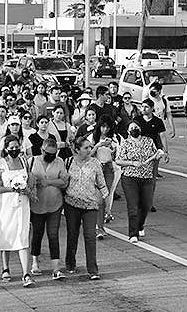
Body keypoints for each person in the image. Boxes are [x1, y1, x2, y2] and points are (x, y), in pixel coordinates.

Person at [0, 135, 36, 287]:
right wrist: (12, 188)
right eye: (12, 147)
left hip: (22, 203)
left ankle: (26, 273)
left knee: (23, 235)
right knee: (6, 233)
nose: (15, 149)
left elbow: (30, 179)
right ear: (6, 148)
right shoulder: (1, 164)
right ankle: (5, 267)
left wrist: (27, 189)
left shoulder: (24, 161)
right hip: (6, 203)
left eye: (17, 147)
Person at [63, 137, 108, 280]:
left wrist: (106, 203)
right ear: (77, 149)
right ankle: (70, 263)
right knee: (72, 235)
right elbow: (63, 182)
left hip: (90, 205)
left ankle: (93, 270)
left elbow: (102, 184)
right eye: (86, 148)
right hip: (71, 204)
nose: (89, 150)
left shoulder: (95, 163)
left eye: (90, 147)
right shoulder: (68, 162)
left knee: (90, 236)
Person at [116, 121, 164, 243]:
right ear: (128, 131)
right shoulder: (126, 143)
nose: (134, 129)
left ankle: (140, 224)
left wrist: (158, 155)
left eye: (136, 127)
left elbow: (155, 154)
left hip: (147, 177)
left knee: (146, 204)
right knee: (133, 205)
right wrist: (132, 163)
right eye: (131, 128)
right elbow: (118, 161)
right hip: (130, 178)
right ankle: (133, 233)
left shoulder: (149, 141)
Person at [29, 137, 68, 280]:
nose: (51, 156)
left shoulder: (59, 162)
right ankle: (35, 262)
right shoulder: (32, 161)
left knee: (53, 235)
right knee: (37, 233)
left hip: (54, 204)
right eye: (48, 153)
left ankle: (56, 268)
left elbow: (64, 181)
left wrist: (48, 182)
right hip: (37, 205)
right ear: (42, 150)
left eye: (54, 154)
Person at [134, 98, 168, 210]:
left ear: (152, 108)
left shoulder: (157, 121)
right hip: (139, 152)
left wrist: (166, 152)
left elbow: (162, 136)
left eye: (146, 107)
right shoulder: (137, 120)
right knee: (138, 177)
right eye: (142, 106)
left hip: (153, 153)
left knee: (151, 179)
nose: (143, 109)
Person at [90, 116, 119, 238]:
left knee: (106, 196)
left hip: (108, 168)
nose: (105, 129)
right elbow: (88, 155)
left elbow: (116, 155)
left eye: (107, 127)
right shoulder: (92, 137)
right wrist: (98, 145)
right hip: (97, 168)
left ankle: (101, 225)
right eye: (103, 127)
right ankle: (98, 227)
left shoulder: (114, 138)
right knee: (99, 198)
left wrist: (112, 148)